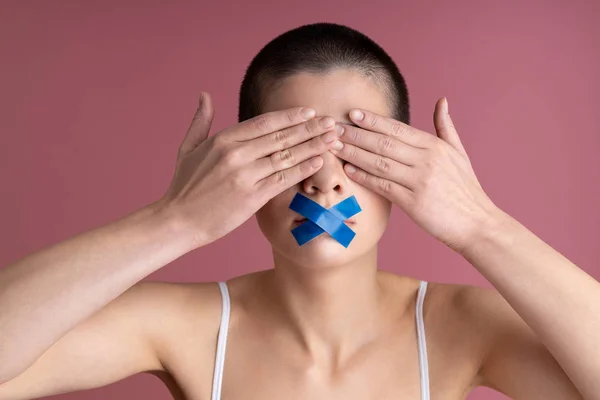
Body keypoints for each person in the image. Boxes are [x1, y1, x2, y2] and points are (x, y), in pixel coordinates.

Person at [0, 22, 596, 400]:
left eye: (360, 149)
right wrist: (173, 220)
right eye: (290, 149)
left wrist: (481, 227)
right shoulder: (187, 325)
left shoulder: (459, 325)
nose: (326, 182)